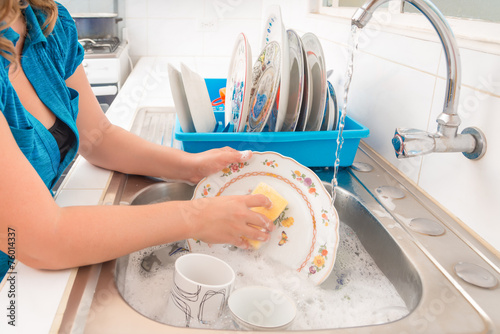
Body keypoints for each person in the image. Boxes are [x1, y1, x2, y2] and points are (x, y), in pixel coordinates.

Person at [0, 0, 274, 280]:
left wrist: (190, 166)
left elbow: (97, 137)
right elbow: (43, 239)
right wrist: (196, 217)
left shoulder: (46, 21)